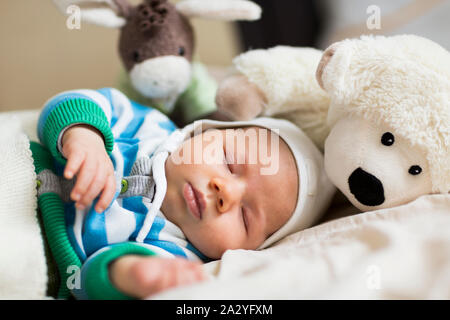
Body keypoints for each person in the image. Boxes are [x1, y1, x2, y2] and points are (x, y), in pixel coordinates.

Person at [32, 88, 334, 299]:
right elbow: (75, 103)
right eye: (230, 162)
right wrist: (86, 138)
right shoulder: (149, 127)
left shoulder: (176, 254)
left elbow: (90, 278)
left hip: (33, 253)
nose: (225, 192)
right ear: (207, 131)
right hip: (23, 168)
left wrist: (134, 275)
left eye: (245, 216)